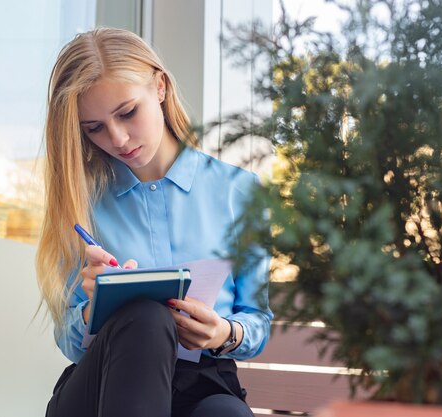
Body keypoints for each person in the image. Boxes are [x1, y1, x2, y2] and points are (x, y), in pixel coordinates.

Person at [35, 27, 273, 417]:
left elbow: (257, 319)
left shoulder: (239, 192)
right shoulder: (82, 201)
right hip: (102, 391)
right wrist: (92, 309)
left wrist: (224, 333)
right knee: (146, 316)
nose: (118, 138)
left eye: (127, 112)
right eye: (93, 127)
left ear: (159, 87)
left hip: (206, 383)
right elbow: (68, 339)